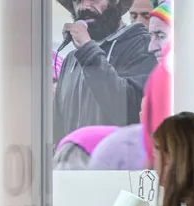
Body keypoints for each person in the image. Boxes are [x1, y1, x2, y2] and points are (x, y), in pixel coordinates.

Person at [53, 0, 157, 145]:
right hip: (72, 166)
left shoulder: (140, 45)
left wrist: (88, 51)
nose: (84, 7)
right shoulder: (71, 60)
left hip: (115, 165)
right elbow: (58, 127)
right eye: (78, 1)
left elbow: (128, 110)